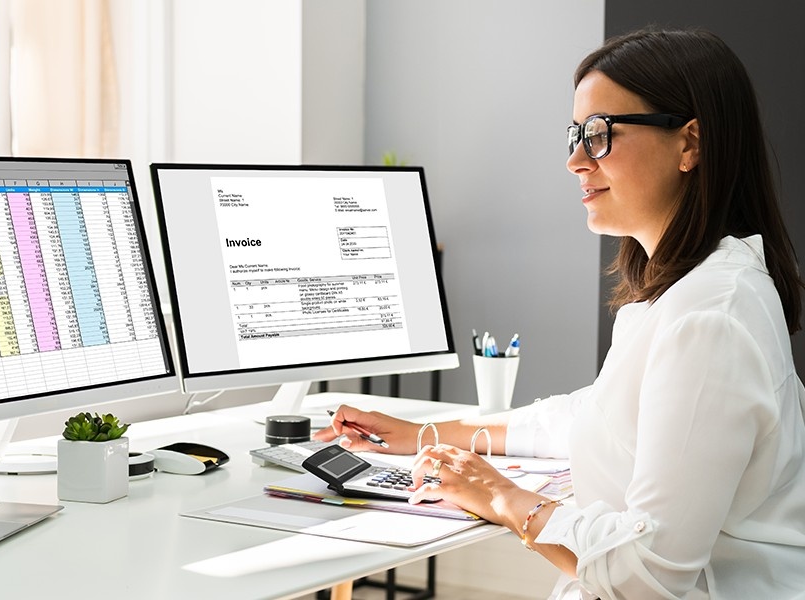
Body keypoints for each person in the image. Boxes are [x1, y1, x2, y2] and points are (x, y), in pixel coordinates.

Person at [315, 28, 805, 599]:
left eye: (599, 135)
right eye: (575, 134)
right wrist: (420, 433)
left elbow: (645, 573)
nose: (575, 160)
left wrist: (501, 498)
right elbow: (595, 418)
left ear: (689, 143)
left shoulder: (711, 316)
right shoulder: (683, 293)